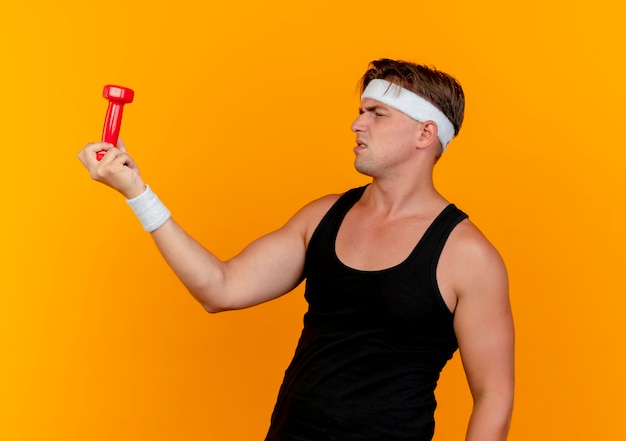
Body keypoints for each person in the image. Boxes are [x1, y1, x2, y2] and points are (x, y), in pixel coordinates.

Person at [78, 59, 514, 441]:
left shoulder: (467, 255)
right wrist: (137, 192)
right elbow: (220, 289)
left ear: (425, 133)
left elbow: (493, 396)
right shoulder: (322, 217)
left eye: (377, 114)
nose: (356, 124)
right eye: (360, 111)